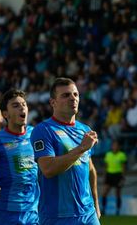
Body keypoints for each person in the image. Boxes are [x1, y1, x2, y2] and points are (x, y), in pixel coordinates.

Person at [31, 78, 100, 225]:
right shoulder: (43, 130)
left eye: (75, 94)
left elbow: (91, 169)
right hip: (57, 217)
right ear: (52, 102)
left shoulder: (85, 130)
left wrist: (96, 204)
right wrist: (81, 148)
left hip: (88, 215)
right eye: (65, 95)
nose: (72, 98)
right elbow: (48, 169)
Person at [0, 89, 39, 224]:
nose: (22, 107)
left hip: (32, 213)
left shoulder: (36, 134)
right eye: (15, 105)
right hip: (4, 215)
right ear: (5, 114)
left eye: (24, 104)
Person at [102, 141, 127, 216]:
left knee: (118, 194)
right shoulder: (108, 154)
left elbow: (123, 167)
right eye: (114, 145)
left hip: (118, 175)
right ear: (112, 146)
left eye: (116, 145)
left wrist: (123, 177)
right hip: (109, 175)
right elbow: (106, 166)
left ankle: (117, 210)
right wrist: (104, 176)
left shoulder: (122, 155)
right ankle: (103, 209)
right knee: (104, 193)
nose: (115, 147)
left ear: (118, 147)